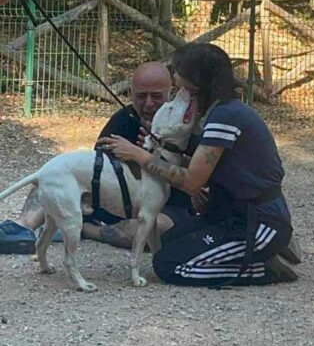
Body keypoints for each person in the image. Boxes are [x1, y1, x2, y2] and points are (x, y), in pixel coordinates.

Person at [100, 43, 299, 285]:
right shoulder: (219, 112)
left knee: (169, 266)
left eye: (184, 89)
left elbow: (192, 181)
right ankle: (260, 253)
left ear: (199, 86)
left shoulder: (225, 117)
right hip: (228, 215)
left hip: (255, 221)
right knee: (168, 242)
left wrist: (138, 155)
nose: (179, 94)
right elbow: (202, 169)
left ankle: (264, 268)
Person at [0, 61, 193, 253]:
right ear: (131, 94)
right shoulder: (123, 120)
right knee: (55, 173)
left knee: (154, 228)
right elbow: (96, 167)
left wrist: (146, 154)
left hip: (168, 206)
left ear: (170, 93)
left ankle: (87, 230)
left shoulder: (185, 123)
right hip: (114, 200)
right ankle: (23, 226)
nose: (149, 104)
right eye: (141, 96)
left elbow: (194, 178)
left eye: (156, 96)